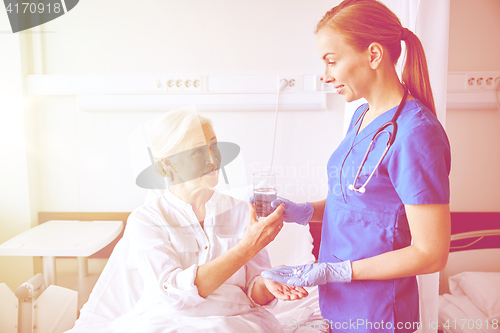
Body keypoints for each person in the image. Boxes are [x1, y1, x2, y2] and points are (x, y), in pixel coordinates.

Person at [261, 1, 451, 332]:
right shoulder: (364, 117)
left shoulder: (417, 134)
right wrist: (302, 211)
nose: (325, 75)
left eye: (332, 61)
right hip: (339, 307)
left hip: (380, 315)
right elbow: (355, 204)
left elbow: (431, 253)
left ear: (374, 55)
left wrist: (338, 271)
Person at [108, 109, 308, 333]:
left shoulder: (243, 211)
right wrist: (247, 247)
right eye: (197, 152)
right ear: (167, 165)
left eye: (214, 146)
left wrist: (270, 283)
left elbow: (255, 290)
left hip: (235, 320)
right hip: (166, 321)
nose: (213, 159)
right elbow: (174, 293)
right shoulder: (146, 220)